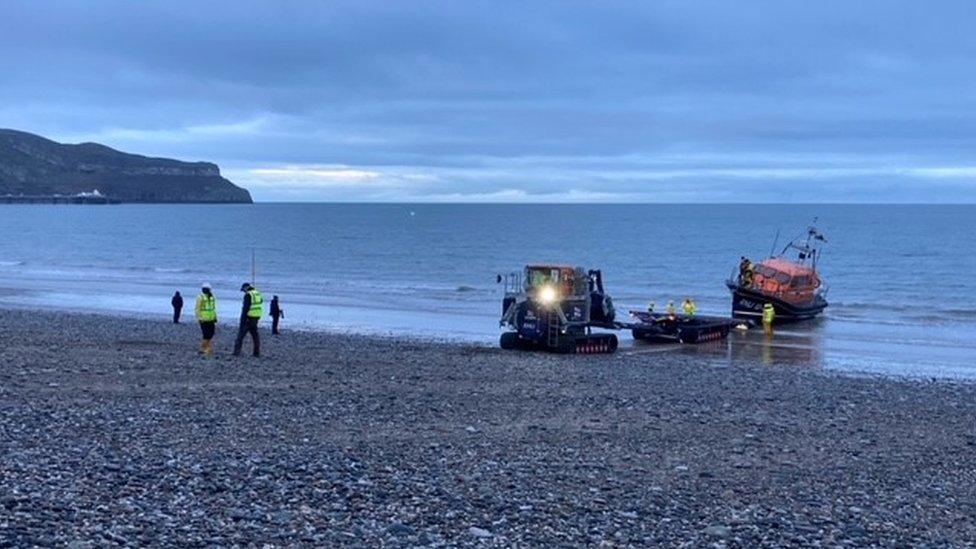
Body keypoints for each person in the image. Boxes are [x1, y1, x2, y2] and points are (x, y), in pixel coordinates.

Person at [233, 282, 263, 357]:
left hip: (248, 318)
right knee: (255, 336)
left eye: (243, 290)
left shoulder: (248, 295)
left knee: (240, 336)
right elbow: (260, 302)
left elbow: (245, 308)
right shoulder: (257, 293)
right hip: (256, 317)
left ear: (246, 288)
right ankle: (256, 353)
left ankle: (236, 352)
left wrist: (242, 319)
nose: (243, 291)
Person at [195, 283, 217, 357]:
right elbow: (197, 308)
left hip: (211, 318)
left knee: (211, 333)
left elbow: (213, 308)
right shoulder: (200, 297)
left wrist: (215, 317)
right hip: (203, 319)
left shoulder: (212, 297)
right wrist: (199, 318)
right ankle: (204, 349)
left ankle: (205, 348)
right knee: (206, 335)